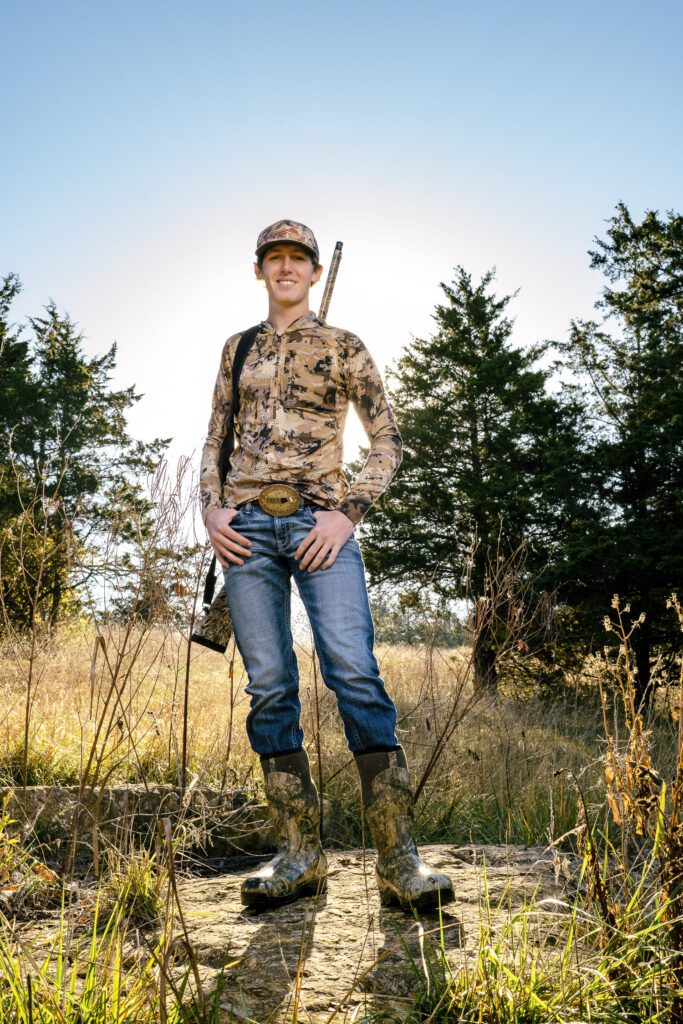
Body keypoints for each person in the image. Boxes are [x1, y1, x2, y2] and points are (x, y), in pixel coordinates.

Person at [199, 219, 453, 911]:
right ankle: (298, 856)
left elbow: (388, 440)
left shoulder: (344, 346)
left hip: (323, 528)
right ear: (260, 271)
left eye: (297, 260)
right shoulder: (238, 347)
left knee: (354, 674)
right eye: (273, 259)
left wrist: (349, 513)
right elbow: (215, 435)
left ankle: (398, 863)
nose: (285, 268)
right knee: (270, 686)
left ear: (313, 273)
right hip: (245, 532)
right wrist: (212, 511)